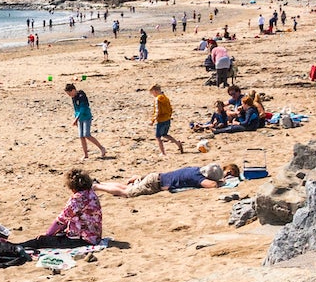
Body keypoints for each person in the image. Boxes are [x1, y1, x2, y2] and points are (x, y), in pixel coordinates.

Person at [21, 168, 102, 250]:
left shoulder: (77, 199)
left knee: (41, 241)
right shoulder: (91, 194)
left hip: (83, 239)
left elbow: (61, 219)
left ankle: (17, 246)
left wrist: (48, 234)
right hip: (94, 236)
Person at [99, 163, 236, 198]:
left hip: (155, 176)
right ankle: (96, 187)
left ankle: (100, 184)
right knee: (126, 193)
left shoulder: (195, 169)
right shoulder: (198, 177)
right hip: (154, 184)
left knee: (124, 187)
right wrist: (222, 182)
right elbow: (212, 185)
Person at [64, 83, 106, 159]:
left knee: (87, 135)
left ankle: (102, 148)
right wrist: (76, 118)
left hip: (86, 117)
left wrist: (76, 119)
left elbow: (82, 109)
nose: (69, 95)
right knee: (81, 136)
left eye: (69, 93)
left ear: (73, 90)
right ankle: (86, 154)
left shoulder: (81, 96)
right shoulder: (73, 97)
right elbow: (76, 109)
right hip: (79, 118)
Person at [149, 85, 183, 156]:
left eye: (152, 93)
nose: (153, 95)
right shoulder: (166, 98)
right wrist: (169, 116)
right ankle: (177, 143)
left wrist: (152, 120)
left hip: (161, 120)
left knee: (158, 137)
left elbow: (157, 111)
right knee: (165, 134)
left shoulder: (157, 99)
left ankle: (163, 153)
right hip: (167, 119)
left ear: (155, 91)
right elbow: (170, 108)